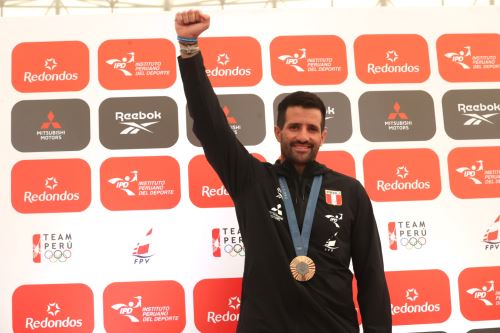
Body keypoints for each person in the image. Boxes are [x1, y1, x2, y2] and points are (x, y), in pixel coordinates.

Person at [175, 10, 392, 333]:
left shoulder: (350, 191)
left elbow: (371, 273)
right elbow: (211, 126)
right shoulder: (251, 180)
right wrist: (189, 47)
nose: (303, 135)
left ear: (323, 136)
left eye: (311, 128)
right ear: (278, 132)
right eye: (294, 127)